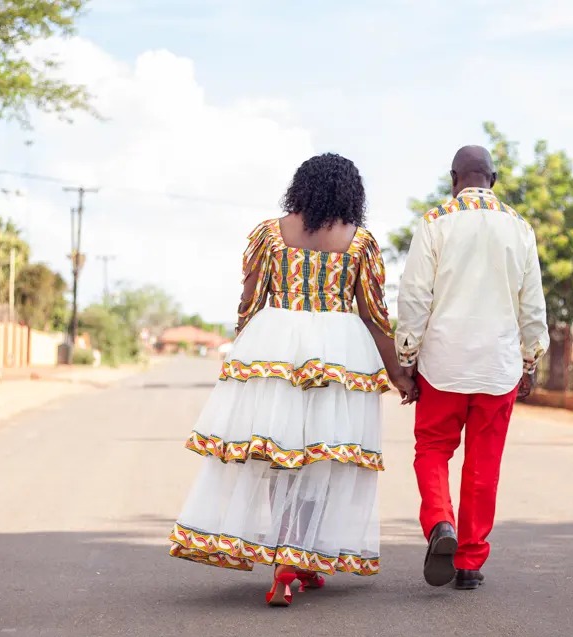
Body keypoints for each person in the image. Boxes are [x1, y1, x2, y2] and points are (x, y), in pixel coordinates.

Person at [168, 153, 417, 607]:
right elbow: (374, 315)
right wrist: (399, 374)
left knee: (278, 452)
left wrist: (243, 355)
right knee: (321, 456)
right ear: (351, 192)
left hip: (274, 346)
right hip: (338, 354)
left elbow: (249, 301)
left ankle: (285, 562)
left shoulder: (269, 234)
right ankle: (300, 555)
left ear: (299, 187)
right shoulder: (359, 242)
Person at [396, 145, 549, 590]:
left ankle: (441, 523)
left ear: (452, 179)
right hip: (498, 366)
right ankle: (469, 562)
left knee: (432, 449)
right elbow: (532, 305)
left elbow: (414, 297)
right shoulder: (521, 229)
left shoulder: (433, 223)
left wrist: (406, 360)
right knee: (484, 462)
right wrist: (530, 359)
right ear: (493, 180)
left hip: (442, 362)